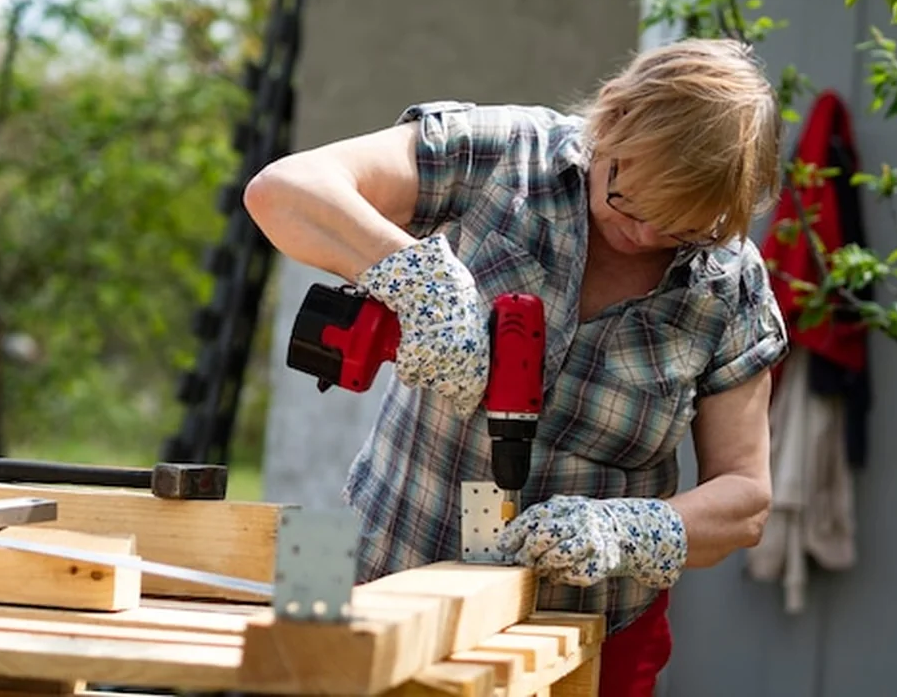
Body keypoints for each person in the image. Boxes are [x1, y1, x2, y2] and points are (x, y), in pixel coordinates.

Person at [245, 37, 789, 696]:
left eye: (681, 228)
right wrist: (416, 279)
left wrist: (629, 530)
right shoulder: (505, 156)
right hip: (377, 574)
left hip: (586, 632)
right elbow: (283, 190)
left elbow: (746, 500)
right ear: (612, 118)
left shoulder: (728, 286)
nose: (645, 236)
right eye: (630, 200)